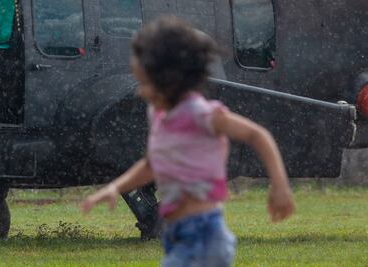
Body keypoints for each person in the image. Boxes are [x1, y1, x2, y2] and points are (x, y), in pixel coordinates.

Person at [81, 16, 295, 267]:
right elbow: (151, 164)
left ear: (169, 81)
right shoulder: (158, 115)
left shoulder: (200, 113)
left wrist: (280, 187)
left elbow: (257, 135)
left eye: (145, 84)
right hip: (178, 234)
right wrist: (113, 188)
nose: (139, 91)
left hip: (204, 235)